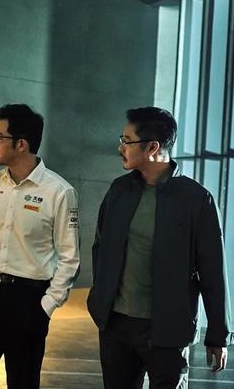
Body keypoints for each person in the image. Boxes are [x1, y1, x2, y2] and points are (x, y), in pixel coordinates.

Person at [87, 107, 232, 389]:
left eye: (127, 141)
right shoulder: (119, 190)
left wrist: (218, 335)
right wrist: (100, 298)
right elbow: (100, 249)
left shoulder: (196, 199)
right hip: (116, 326)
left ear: (152, 147)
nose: (120, 147)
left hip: (167, 329)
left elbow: (213, 272)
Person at [0, 103, 80, 389]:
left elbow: (69, 258)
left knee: (23, 382)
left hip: (28, 302)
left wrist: (46, 306)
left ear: (21, 144)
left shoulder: (59, 192)